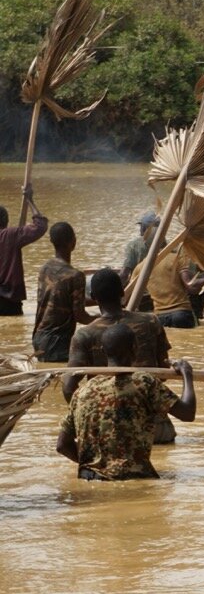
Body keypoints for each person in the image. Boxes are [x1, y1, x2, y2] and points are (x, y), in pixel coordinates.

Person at [56, 323, 196, 482]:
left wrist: (95, 467)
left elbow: (62, 445)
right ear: (135, 349)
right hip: (134, 478)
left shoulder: (82, 391)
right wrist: (187, 375)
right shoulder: (144, 382)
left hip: (89, 479)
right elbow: (187, 413)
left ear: (103, 351)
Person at [65, 267, 177, 443]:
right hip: (153, 425)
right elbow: (164, 370)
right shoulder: (150, 321)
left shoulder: (84, 335)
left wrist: (88, 419)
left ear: (93, 298)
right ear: (122, 292)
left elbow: (68, 387)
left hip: (108, 428)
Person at [32, 221, 94, 361]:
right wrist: (105, 320)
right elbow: (81, 316)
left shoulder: (45, 268)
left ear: (52, 242)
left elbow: (59, 299)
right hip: (57, 342)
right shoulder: (75, 276)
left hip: (39, 337)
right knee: (91, 358)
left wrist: (98, 300)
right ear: (73, 242)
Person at [0, 186, 48, 316]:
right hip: (8, 302)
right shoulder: (10, 235)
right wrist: (30, 200)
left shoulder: (12, 235)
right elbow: (40, 226)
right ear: (6, 221)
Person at [148, 247, 201, 329]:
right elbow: (191, 287)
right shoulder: (177, 258)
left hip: (159, 317)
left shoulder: (142, 266)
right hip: (181, 313)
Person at [121, 210, 160, 285]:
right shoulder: (169, 245)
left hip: (139, 291)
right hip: (160, 289)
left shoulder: (133, 245)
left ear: (144, 228)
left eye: (141, 226)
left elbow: (124, 274)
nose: (140, 229)